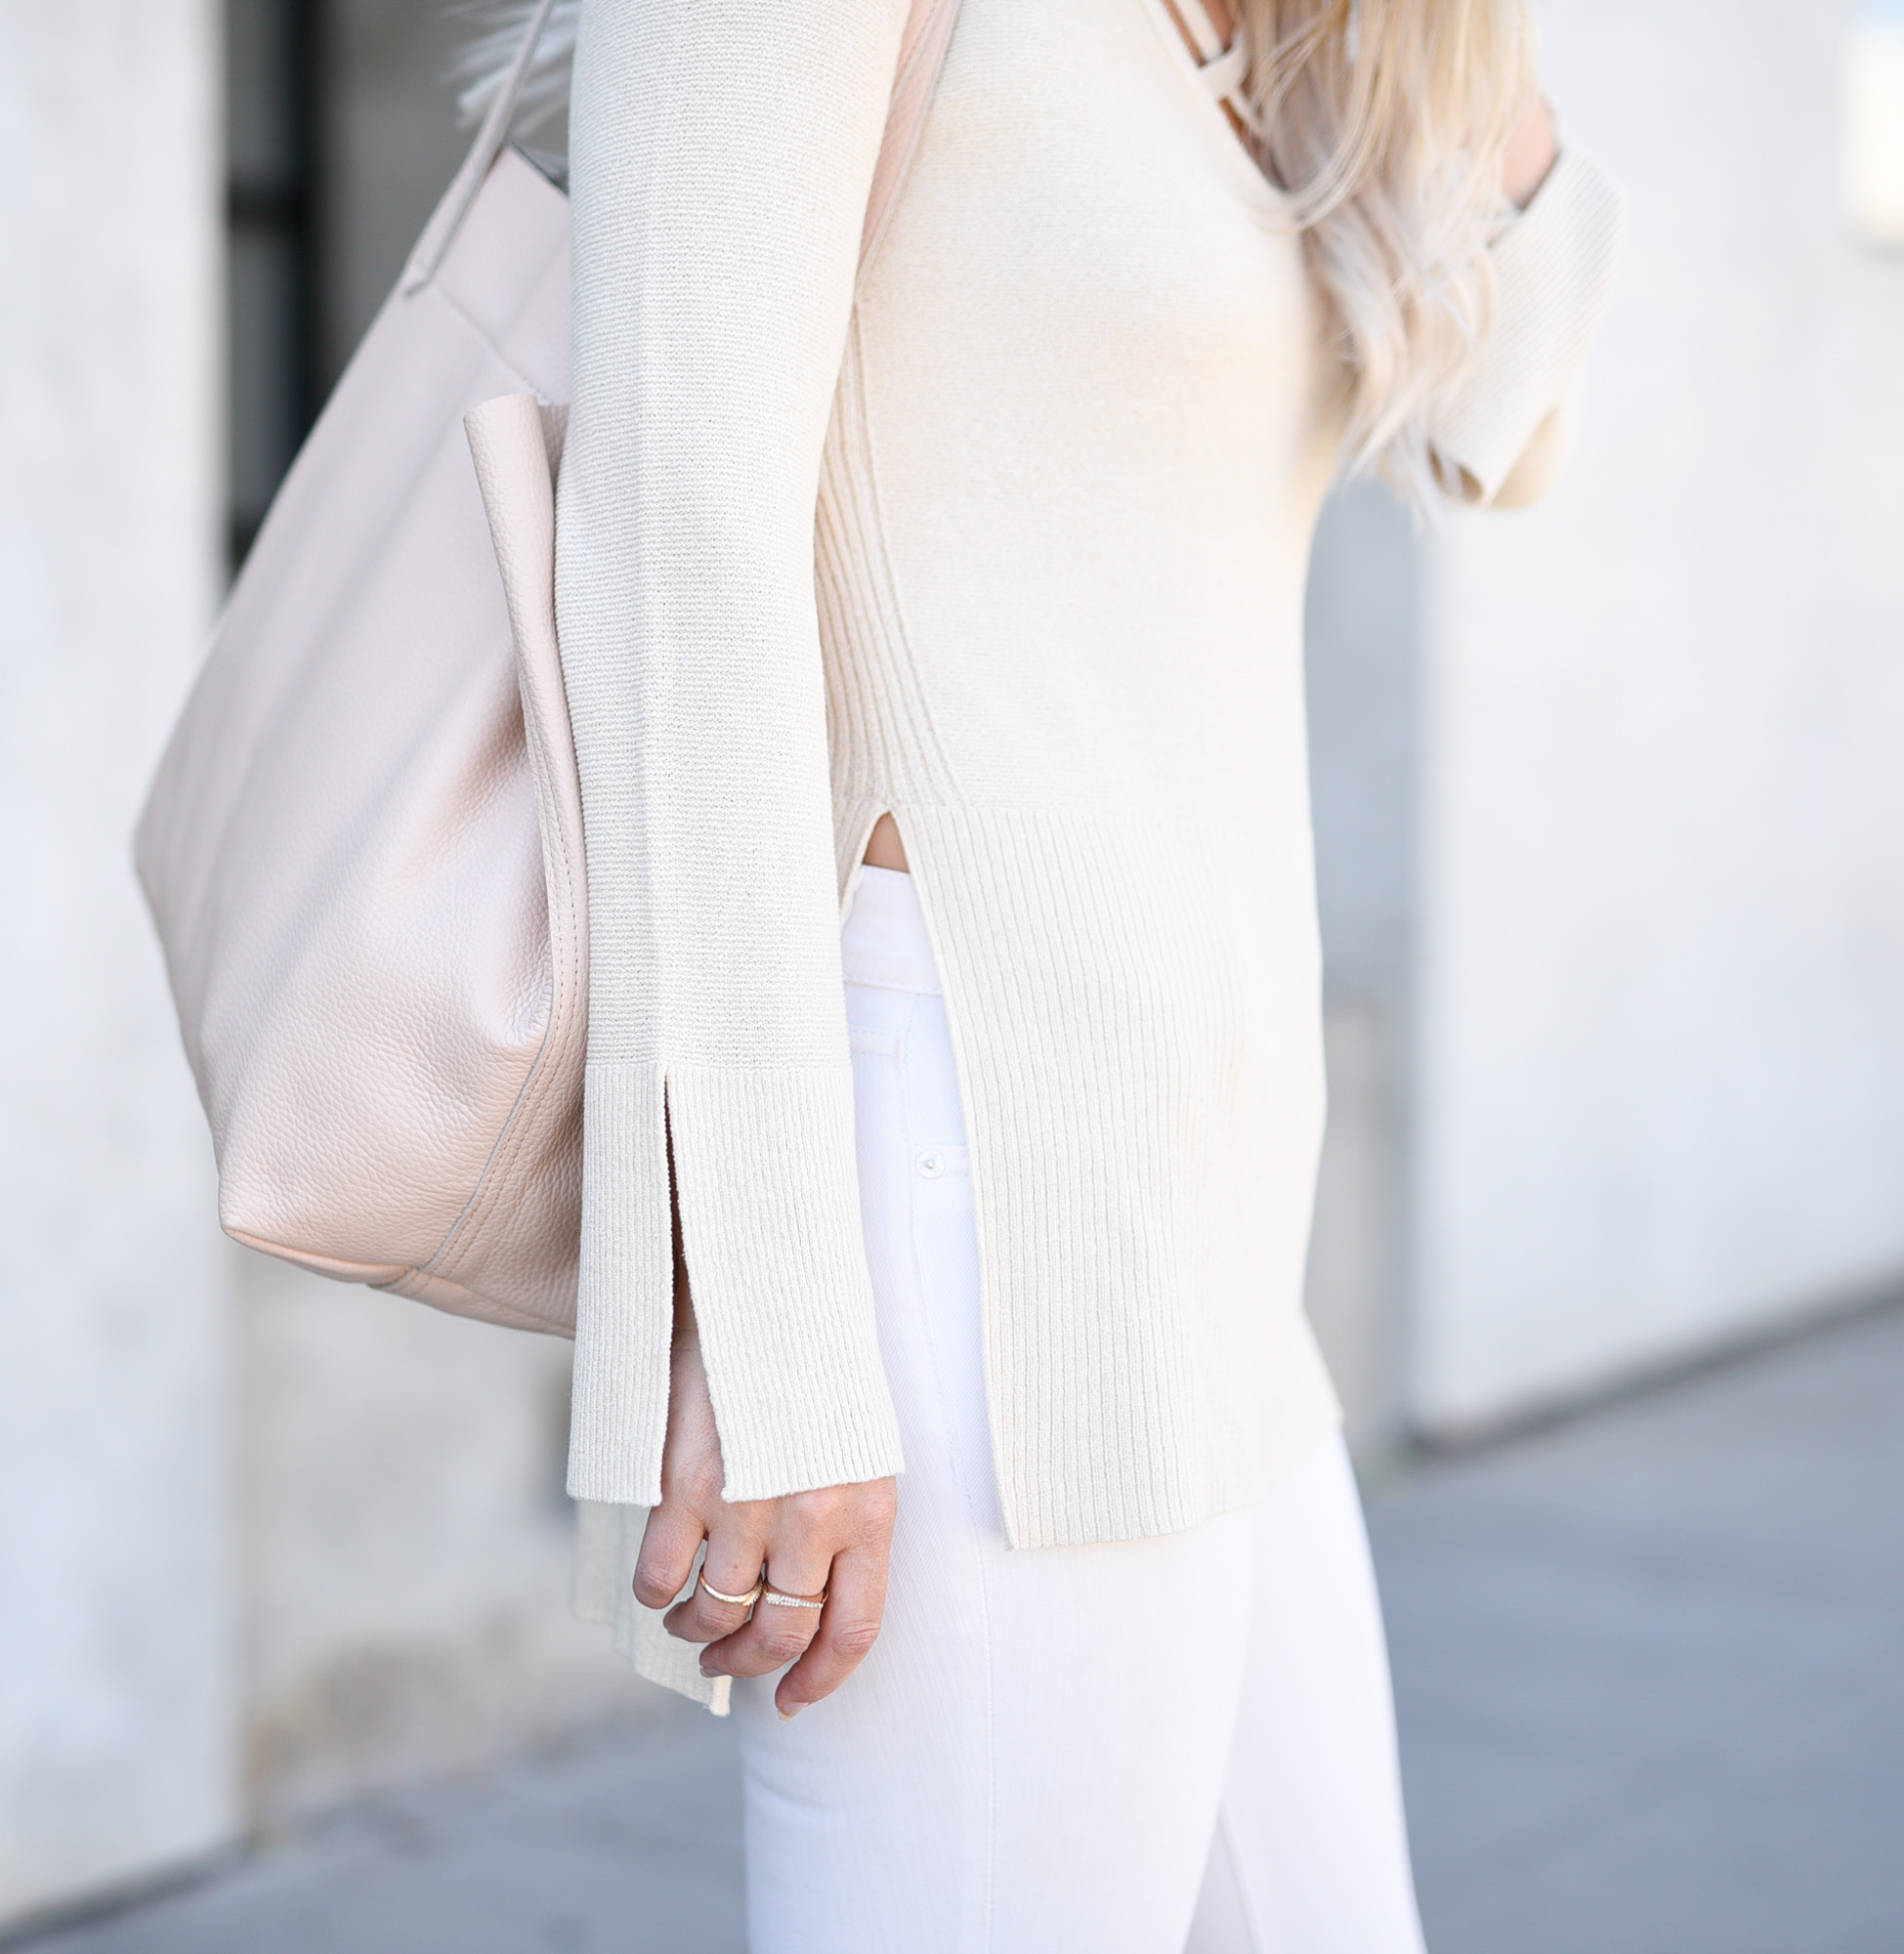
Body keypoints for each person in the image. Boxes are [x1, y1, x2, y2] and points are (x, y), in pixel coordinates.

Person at [530, 0, 1627, 1945]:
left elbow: (1500, 427)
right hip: (963, 1155)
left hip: (1205, 1197)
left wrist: (1470, 51)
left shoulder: (1256, 29)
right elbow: (672, 548)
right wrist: (771, 1331)